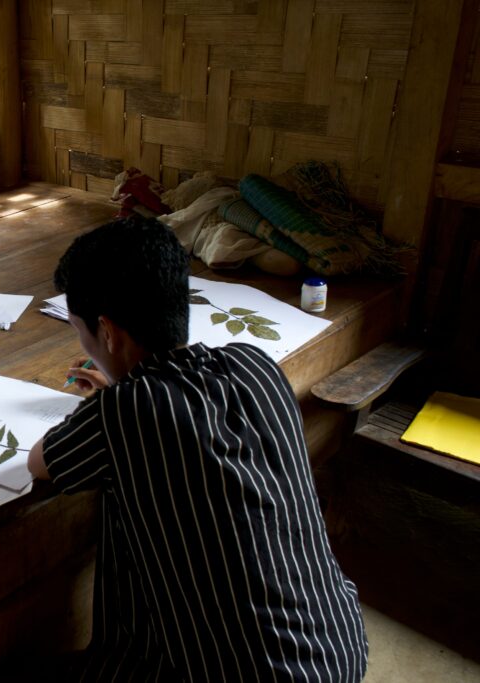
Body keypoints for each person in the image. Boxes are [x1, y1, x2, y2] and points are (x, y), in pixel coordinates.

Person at [28, 216, 368, 682]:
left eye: (80, 331)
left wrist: (111, 398)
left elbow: (40, 461)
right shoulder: (254, 364)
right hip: (337, 652)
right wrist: (120, 388)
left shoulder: (124, 411)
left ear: (106, 332)